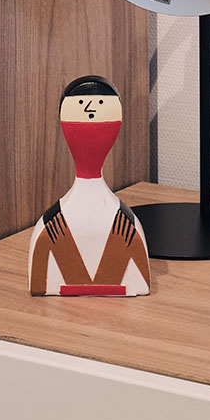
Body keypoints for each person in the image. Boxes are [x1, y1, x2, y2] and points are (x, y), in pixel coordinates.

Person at [28, 76, 150, 297]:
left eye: (101, 104)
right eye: (82, 105)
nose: (91, 109)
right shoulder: (125, 224)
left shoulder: (52, 225)